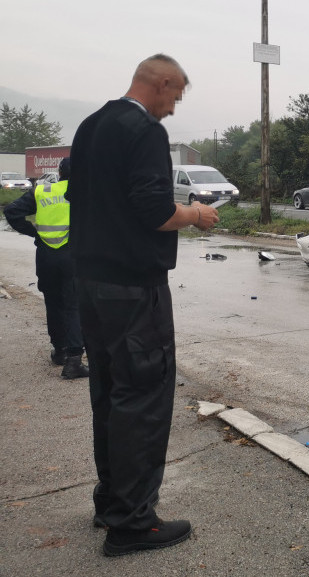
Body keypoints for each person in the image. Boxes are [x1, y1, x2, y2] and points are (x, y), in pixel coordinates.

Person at [67, 53, 219, 557]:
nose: (173, 108)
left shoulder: (91, 126)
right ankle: (132, 523)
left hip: (90, 283)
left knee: (109, 394)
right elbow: (154, 210)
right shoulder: (146, 132)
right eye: (175, 97)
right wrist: (196, 213)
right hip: (133, 289)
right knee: (143, 399)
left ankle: (111, 500)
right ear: (162, 82)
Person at [3, 157, 90, 379]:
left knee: (53, 303)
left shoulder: (42, 190)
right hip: (72, 254)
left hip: (46, 255)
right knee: (73, 306)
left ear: (59, 172)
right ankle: (73, 361)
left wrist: (34, 232)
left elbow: (12, 211)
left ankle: (59, 351)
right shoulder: (84, 192)